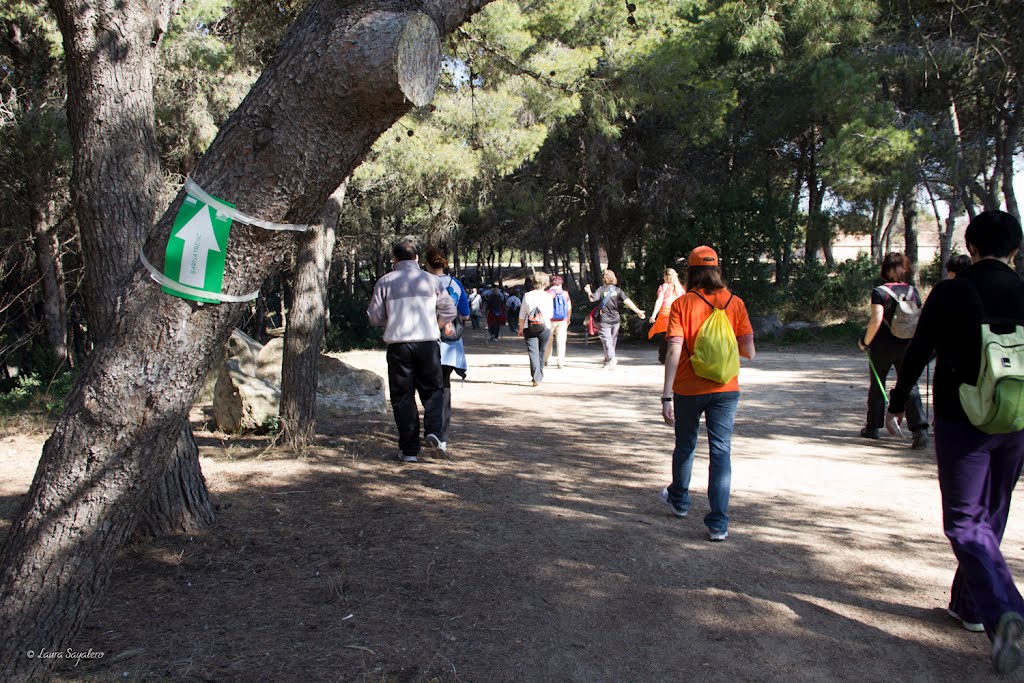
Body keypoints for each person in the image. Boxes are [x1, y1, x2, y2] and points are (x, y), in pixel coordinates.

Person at [885, 211, 1024, 672]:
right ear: (1015, 250)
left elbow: (920, 350)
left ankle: (1008, 612)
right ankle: (969, 606)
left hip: (964, 418)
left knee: (965, 522)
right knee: (993, 512)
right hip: (1017, 420)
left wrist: (898, 401)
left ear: (971, 247)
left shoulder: (952, 291)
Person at [659, 246, 755, 542]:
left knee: (686, 444)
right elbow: (749, 351)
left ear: (690, 271)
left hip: (688, 388)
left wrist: (666, 395)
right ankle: (718, 523)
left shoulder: (682, 304)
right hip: (726, 389)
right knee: (721, 451)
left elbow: (674, 349)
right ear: (717, 270)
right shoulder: (735, 302)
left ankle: (680, 500)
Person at [367, 240, 456, 463]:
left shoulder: (384, 282)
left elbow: (374, 317)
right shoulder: (431, 280)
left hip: (399, 345)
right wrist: (435, 325)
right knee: (434, 390)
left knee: (402, 397)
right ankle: (435, 432)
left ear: (394, 260)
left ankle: (409, 451)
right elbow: (449, 309)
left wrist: (393, 317)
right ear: (417, 258)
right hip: (427, 342)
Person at [857, 252, 929, 448]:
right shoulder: (913, 292)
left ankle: (873, 427)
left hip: (882, 345)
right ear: (905, 268)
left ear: (885, 269)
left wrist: (865, 342)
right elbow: (921, 319)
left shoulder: (879, 292)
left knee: (877, 383)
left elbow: (876, 320)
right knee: (910, 385)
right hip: (908, 345)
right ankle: (919, 429)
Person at [424, 247, 470, 455]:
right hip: (451, 344)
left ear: (427, 263)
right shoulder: (455, 284)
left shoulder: (422, 283)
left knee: (426, 386)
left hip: (427, 338)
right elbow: (465, 315)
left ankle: (430, 430)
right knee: (444, 386)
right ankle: (442, 437)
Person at [584, 269, 646, 369]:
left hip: (604, 319)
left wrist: (588, 291)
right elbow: (627, 301)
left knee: (607, 340)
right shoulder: (617, 290)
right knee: (611, 340)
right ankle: (607, 361)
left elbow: (592, 299)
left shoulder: (601, 289)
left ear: (603, 279)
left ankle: (611, 358)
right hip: (616, 319)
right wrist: (638, 311)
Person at [518, 272, 553, 386]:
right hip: (545, 327)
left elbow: (522, 314)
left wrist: (521, 328)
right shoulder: (548, 296)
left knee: (533, 353)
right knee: (541, 352)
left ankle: (535, 377)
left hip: (530, 327)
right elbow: (551, 314)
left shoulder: (527, 295)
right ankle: (540, 374)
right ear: (545, 283)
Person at [647, 267, 685, 364]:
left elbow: (659, 300)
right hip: (677, 314)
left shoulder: (663, 287)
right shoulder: (681, 288)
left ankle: (663, 358)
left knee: (664, 337)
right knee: (675, 336)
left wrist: (654, 314)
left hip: (664, 314)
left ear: (665, 277)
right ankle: (676, 357)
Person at [544, 274, 572, 369]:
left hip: (549, 320)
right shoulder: (565, 294)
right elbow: (569, 308)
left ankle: (547, 360)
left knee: (548, 341)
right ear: (561, 283)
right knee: (561, 341)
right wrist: (568, 319)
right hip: (562, 320)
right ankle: (560, 362)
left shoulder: (547, 293)